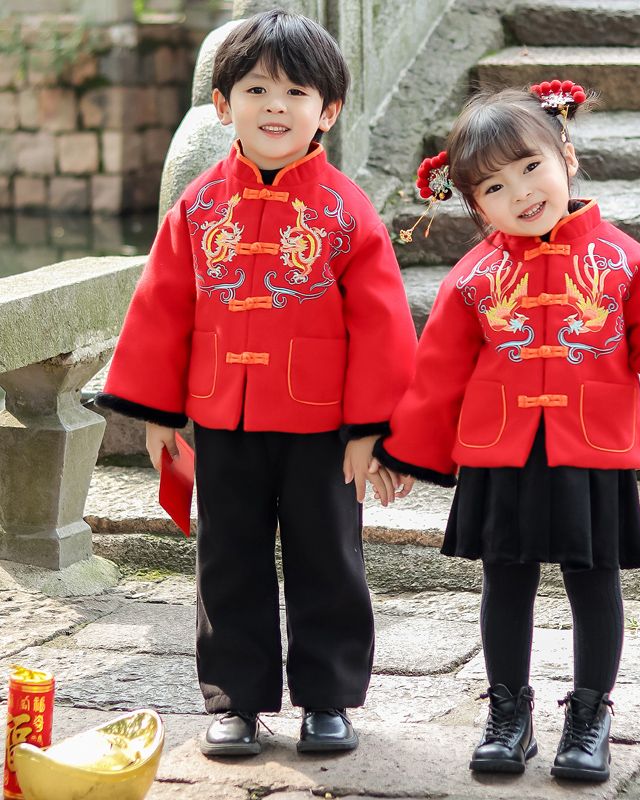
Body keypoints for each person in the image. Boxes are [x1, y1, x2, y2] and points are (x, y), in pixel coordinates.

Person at [374, 80, 640, 782]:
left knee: (594, 579)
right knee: (506, 581)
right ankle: (508, 714)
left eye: (529, 166)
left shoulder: (621, 258)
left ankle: (589, 714)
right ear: (473, 204)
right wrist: (404, 453)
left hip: (591, 447)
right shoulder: (473, 277)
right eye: (491, 187)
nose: (518, 191)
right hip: (501, 450)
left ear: (566, 156)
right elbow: (438, 375)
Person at [96, 9, 417, 758]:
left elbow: (382, 327)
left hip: (323, 426)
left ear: (327, 112)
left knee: (328, 558)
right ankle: (235, 701)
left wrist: (373, 427)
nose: (276, 105)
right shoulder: (199, 207)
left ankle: (328, 699)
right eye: (257, 88)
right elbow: (160, 309)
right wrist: (157, 413)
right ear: (222, 104)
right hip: (222, 417)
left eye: (297, 92)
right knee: (227, 557)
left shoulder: (346, 212)